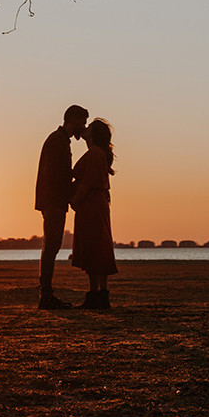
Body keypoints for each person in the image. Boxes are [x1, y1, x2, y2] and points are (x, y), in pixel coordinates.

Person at [35, 103, 88, 309]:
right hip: (53, 201)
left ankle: (46, 294)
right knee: (51, 246)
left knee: (51, 246)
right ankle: (46, 295)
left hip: (53, 200)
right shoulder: (58, 141)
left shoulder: (58, 140)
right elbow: (56, 175)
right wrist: (74, 188)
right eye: (81, 122)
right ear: (73, 119)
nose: (82, 127)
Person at [70, 117, 117, 309]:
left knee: (93, 246)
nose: (85, 128)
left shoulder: (95, 154)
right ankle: (101, 294)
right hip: (97, 204)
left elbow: (88, 183)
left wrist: (74, 200)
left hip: (91, 205)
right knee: (99, 244)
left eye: (88, 127)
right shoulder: (97, 154)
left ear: (94, 134)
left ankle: (95, 295)